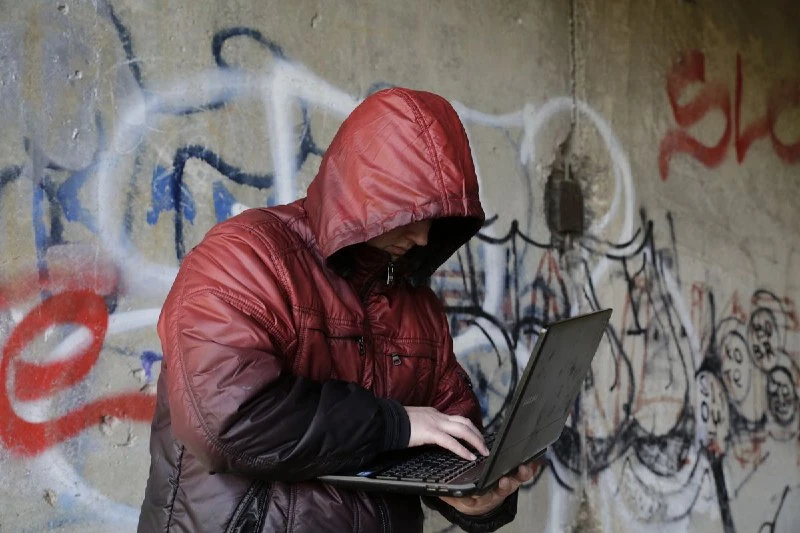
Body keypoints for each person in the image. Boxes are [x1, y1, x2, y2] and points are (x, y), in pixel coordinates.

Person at [138, 87, 536, 533]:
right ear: (365, 194)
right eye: (411, 214)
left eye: (437, 219)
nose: (424, 237)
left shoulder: (418, 306)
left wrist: (477, 499)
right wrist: (395, 425)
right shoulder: (247, 258)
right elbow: (227, 422)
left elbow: (450, 435)